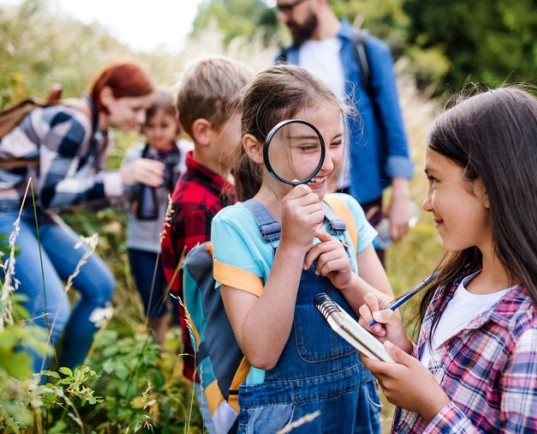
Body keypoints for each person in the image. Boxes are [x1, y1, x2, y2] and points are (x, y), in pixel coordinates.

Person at [359, 85, 537, 433]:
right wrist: (403, 352)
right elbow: (452, 382)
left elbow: (439, 401)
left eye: (435, 181)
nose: (426, 202)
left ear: (485, 186)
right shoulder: (453, 288)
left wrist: (432, 406)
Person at [211, 64, 392, 434]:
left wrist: (349, 281)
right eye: (309, 147)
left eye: (338, 143)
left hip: (356, 407)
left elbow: (388, 323)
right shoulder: (234, 226)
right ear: (255, 149)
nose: (328, 162)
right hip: (284, 419)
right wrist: (291, 247)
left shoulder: (346, 211)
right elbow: (261, 351)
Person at [0, 59, 161, 373]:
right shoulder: (73, 121)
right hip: (5, 209)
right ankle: (24, 407)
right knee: (50, 307)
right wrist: (120, 178)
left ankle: (64, 383)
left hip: (33, 212)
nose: (140, 119)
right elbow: (52, 193)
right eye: (135, 108)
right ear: (108, 96)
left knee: (100, 286)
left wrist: (127, 191)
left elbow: (78, 198)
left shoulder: (100, 137)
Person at [275, 0, 414, 265]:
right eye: (280, 9)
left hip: (364, 194)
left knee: (369, 279)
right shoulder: (285, 60)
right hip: (308, 194)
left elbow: (393, 124)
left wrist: (400, 195)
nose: (284, 17)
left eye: (289, 7)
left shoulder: (368, 51)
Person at [159, 55, 254, 433]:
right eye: (244, 125)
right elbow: (211, 302)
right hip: (220, 366)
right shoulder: (198, 205)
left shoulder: (220, 185)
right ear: (204, 131)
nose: (253, 136)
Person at [122, 89, 192, 345]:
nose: (158, 132)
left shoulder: (187, 154)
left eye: (164, 125)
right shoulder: (135, 156)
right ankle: (155, 356)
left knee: (184, 308)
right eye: (150, 126)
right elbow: (120, 199)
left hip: (178, 245)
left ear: (177, 124)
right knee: (153, 305)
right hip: (142, 243)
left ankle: (186, 359)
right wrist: (137, 194)